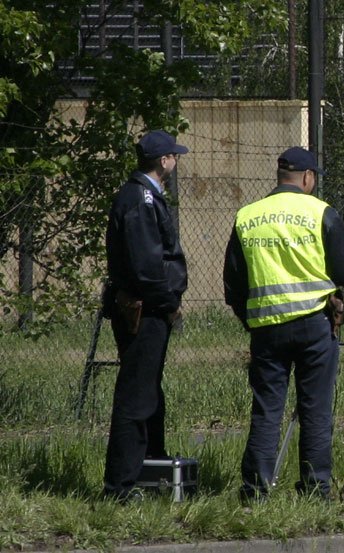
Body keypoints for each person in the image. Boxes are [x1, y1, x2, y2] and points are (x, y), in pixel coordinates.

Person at [223, 147, 344, 501]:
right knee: (315, 410)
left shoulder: (247, 216)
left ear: (279, 177)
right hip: (314, 325)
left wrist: (254, 320)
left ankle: (255, 491)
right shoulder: (321, 212)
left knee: (266, 411)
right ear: (308, 178)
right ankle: (315, 490)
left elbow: (234, 284)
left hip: (266, 330)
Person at [102, 129, 189, 503]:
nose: (176, 161)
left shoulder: (145, 196)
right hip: (145, 309)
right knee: (136, 397)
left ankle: (150, 468)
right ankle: (119, 487)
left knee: (148, 391)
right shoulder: (140, 199)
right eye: (174, 156)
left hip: (150, 307)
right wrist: (168, 303)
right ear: (164, 160)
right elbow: (146, 264)